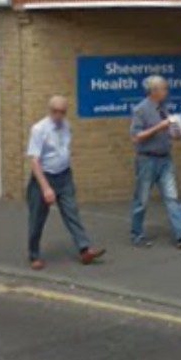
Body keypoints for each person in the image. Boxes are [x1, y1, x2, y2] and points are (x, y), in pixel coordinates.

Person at [25, 96, 105, 271]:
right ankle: (34, 255)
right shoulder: (39, 129)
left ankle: (84, 249)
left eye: (63, 112)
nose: (59, 115)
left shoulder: (67, 126)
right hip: (44, 178)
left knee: (72, 212)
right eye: (56, 112)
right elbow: (34, 160)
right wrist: (46, 188)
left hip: (64, 176)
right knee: (37, 219)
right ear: (50, 110)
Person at [129, 75, 181, 249]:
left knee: (172, 198)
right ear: (153, 91)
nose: (166, 91)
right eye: (163, 88)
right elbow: (135, 137)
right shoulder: (141, 109)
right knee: (142, 199)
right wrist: (159, 127)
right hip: (147, 160)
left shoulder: (163, 108)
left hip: (165, 159)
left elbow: (165, 131)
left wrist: (175, 134)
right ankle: (137, 234)